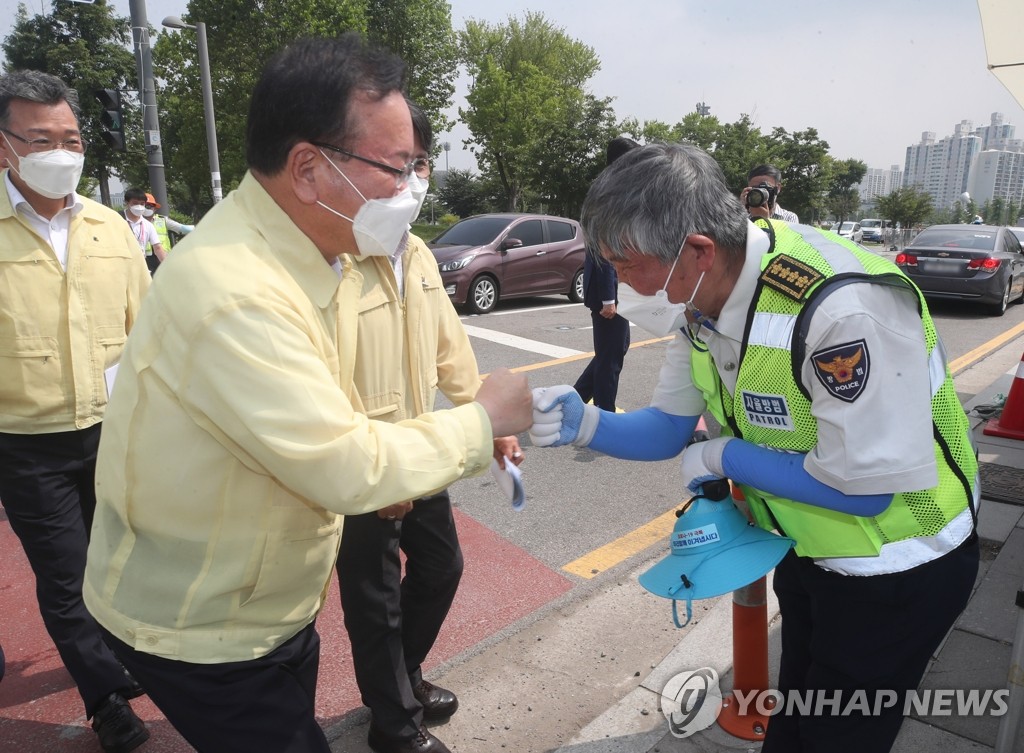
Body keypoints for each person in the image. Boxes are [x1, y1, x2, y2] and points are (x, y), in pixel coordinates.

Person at [83, 34, 532, 753]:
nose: (412, 188)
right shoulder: (237, 289)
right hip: (201, 626)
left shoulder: (315, 254)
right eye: (395, 168)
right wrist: (484, 421)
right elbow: (344, 462)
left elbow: (330, 418)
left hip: (266, 602)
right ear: (310, 168)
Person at [529, 141, 979, 753]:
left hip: (896, 567)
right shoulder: (699, 299)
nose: (616, 278)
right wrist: (586, 424)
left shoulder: (842, 309)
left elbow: (868, 491)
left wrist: (723, 456)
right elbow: (667, 425)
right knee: (792, 722)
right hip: (804, 548)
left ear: (697, 251)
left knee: (839, 736)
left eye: (624, 262)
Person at [334, 100, 522, 753]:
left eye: (420, 163)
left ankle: (398, 679)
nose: (412, 179)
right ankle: (394, 723)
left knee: (442, 566)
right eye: (396, 163)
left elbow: (449, 348)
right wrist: (372, 469)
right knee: (375, 598)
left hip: (423, 444)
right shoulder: (331, 254)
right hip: (360, 460)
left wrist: (487, 418)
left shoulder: (415, 251)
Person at [0, 70, 152, 753]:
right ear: (6, 147)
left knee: (117, 563)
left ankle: (114, 655)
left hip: (111, 430)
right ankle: (107, 699)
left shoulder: (108, 229)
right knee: (66, 578)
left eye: (71, 138)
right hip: (26, 444)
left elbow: (147, 331)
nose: (61, 151)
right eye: (41, 138)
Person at [572, 136, 638, 412]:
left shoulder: (610, 190)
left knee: (615, 348)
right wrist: (610, 297)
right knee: (610, 357)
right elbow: (603, 250)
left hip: (613, 288)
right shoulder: (610, 195)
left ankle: (575, 398)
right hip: (608, 290)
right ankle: (604, 414)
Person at [122, 186, 165, 274]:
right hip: (122, 266)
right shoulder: (118, 219)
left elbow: (157, 248)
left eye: (142, 204)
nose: (139, 206)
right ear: (127, 203)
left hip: (140, 265)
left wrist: (167, 265)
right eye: (135, 203)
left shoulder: (148, 225)